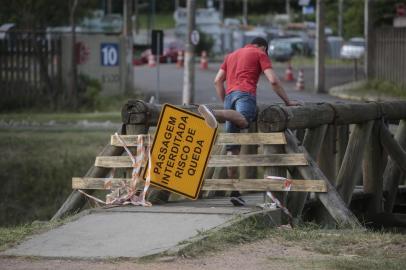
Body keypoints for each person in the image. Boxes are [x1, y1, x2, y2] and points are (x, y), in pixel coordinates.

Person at [198, 37, 300, 206]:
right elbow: (273, 80)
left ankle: (235, 191)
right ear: (263, 47)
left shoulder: (231, 55)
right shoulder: (260, 53)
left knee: (233, 147)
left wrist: (226, 107)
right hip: (245, 94)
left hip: (230, 97)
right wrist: (288, 101)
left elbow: (217, 80)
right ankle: (215, 113)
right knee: (244, 120)